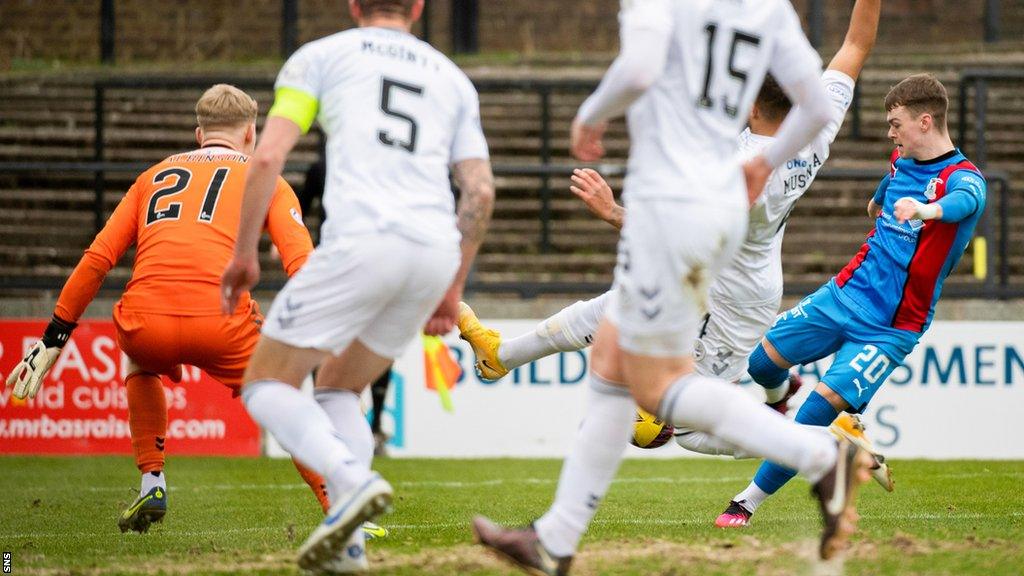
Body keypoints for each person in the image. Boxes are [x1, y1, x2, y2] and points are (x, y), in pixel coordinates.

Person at [471, 1, 873, 572]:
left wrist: (591, 117)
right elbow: (842, 63)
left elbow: (636, 71)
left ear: (753, 101)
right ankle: (554, 541)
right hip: (720, 238)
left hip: (686, 224)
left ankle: (817, 453)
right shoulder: (770, 16)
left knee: (660, 394)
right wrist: (771, 159)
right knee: (611, 363)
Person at [219, 0, 494, 572]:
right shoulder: (451, 76)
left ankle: (352, 477)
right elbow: (481, 191)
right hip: (433, 250)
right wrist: (453, 286)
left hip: (363, 241)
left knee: (264, 384)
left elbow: (267, 153)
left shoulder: (320, 57)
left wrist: (245, 252)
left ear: (352, 5)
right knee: (339, 390)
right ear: (417, 8)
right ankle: (350, 547)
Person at [4, 84, 317, 533]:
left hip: (145, 319)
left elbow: (98, 258)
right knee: (281, 399)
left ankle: (152, 478)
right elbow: (300, 262)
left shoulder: (154, 175)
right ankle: (342, 508)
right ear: (251, 134)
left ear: (198, 133)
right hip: (222, 320)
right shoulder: (267, 177)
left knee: (138, 359)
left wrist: (55, 336)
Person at [716, 71, 986, 526]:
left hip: (892, 327)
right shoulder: (901, 162)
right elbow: (893, 183)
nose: (890, 131)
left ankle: (744, 503)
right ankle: (799, 402)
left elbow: (966, 202)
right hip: (843, 294)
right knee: (760, 365)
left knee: (814, 414)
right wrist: (878, 200)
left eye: (896, 123)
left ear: (925, 121)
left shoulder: (963, 178)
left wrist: (928, 210)